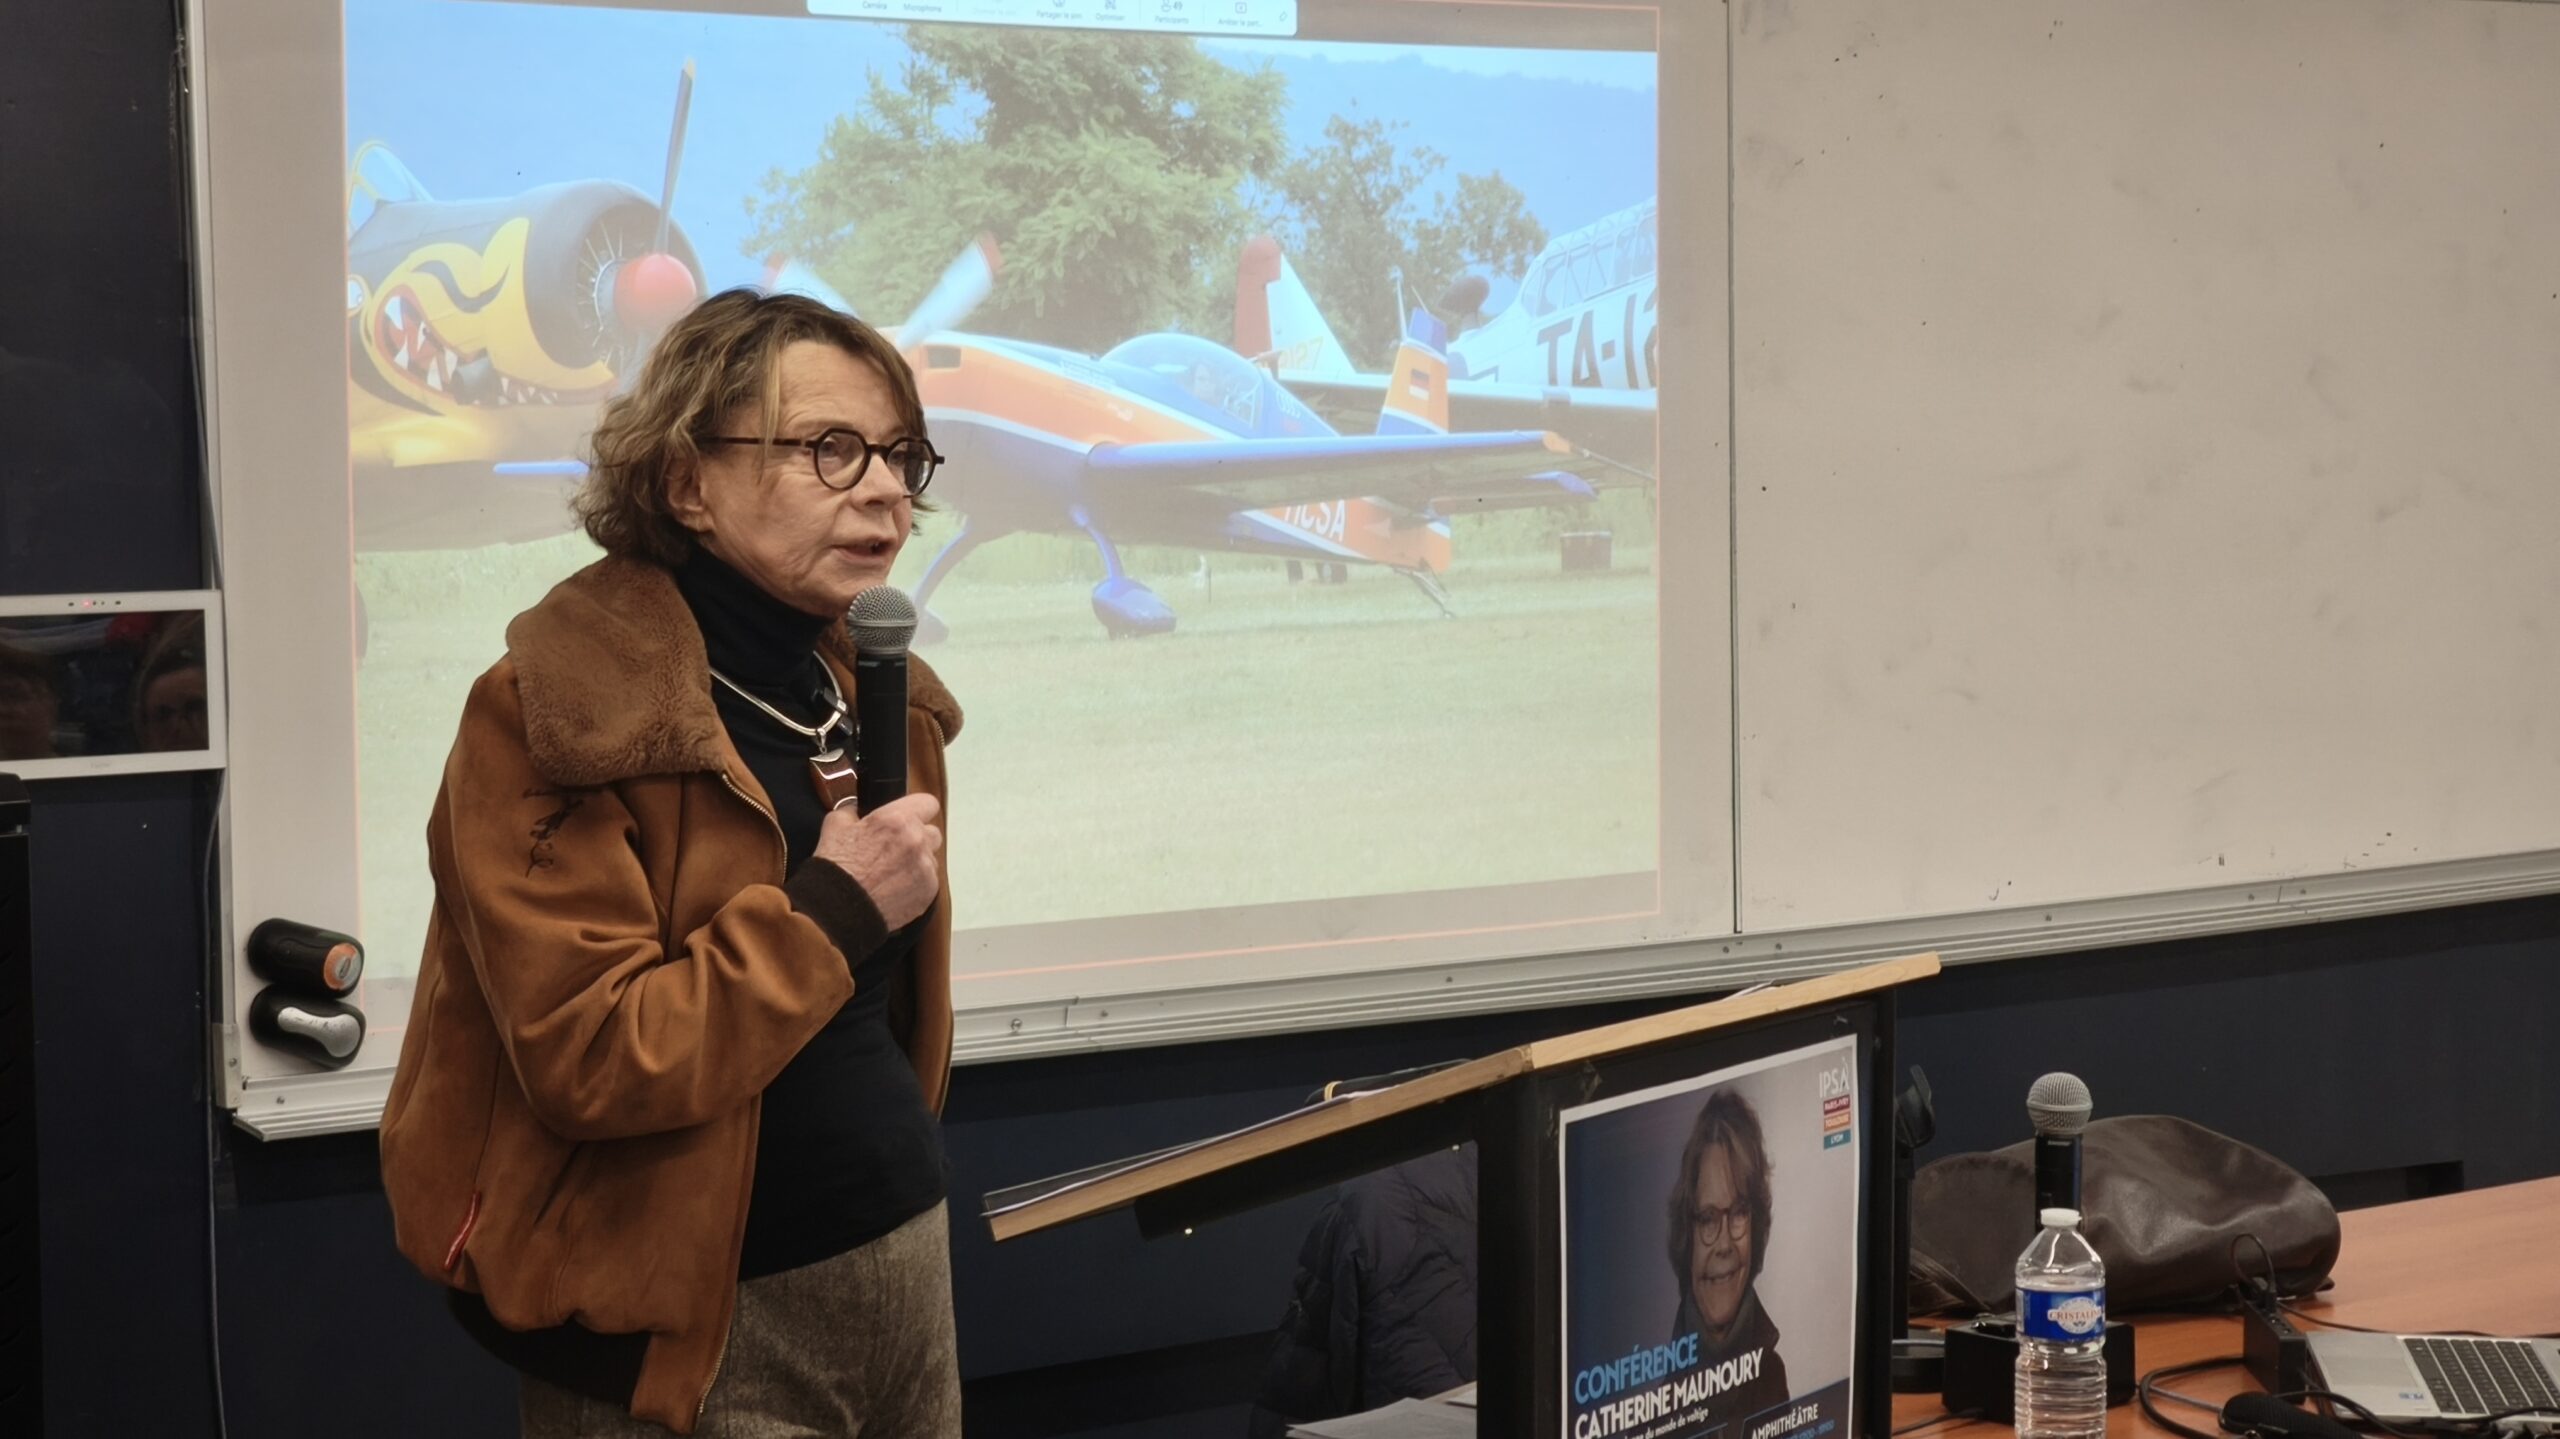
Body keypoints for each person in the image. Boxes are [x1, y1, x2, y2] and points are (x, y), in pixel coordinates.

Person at [379, 289, 963, 1437]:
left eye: (901, 453)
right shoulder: (552, 713)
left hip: (901, 1272)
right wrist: (832, 909)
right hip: (693, 1339)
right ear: (688, 481)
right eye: (831, 449)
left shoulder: (862, 688)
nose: (889, 490)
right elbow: (595, 1054)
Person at [1665, 1088, 1791, 1422]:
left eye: (1738, 1213)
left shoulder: (1772, 1378)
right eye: (1707, 1218)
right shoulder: (1660, 1404)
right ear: (1686, 1237)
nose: (1724, 1244)